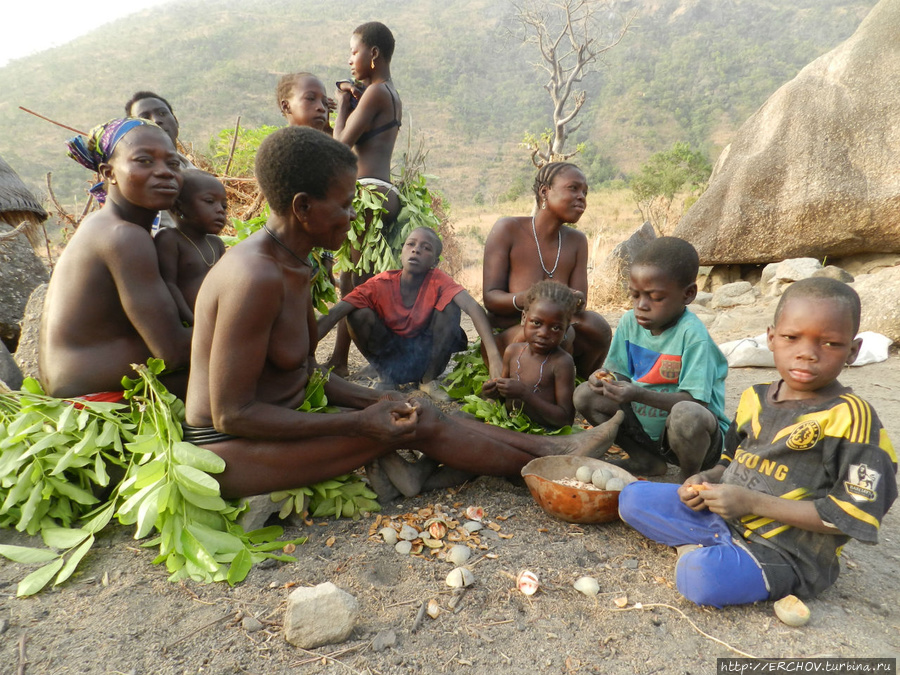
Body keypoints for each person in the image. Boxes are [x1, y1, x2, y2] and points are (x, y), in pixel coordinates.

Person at [182, 126, 625, 499]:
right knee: (419, 424)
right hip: (229, 451)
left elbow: (297, 376)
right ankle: (555, 466)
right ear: (302, 207)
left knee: (414, 407)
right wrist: (361, 420)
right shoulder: (254, 276)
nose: (353, 215)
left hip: (268, 429)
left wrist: (379, 399)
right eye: (344, 204)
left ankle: (558, 449)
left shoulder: (295, 263)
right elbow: (231, 414)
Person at [618, 278, 897, 608]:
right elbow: (730, 457)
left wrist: (751, 502)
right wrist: (707, 479)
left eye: (830, 344)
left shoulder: (852, 418)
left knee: (698, 577)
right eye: (792, 338)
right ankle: (718, 546)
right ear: (771, 338)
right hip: (724, 519)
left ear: (852, 351)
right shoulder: (755, 397)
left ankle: (719, 556)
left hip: (785, 551)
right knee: (631, 498)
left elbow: (852, 513)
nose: (807, 353)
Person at [41, 118, 191, 399]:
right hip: (95, 398)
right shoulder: (123, 236)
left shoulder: (102, 224)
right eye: (144, 161)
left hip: (78, 388)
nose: (164, 173)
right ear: (108, 172)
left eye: (173, 164)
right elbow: (173, 352)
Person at [573, 237, 729, 480]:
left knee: (685, 415)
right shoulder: (628, 323)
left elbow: (696, 404)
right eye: (635, 296)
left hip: (698, 439)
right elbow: (620, 372)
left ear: (688, 294)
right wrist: (605, 379)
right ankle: (646, 459)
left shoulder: (693, 336)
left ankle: (689, 478)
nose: (641, 306)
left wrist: (637, 394)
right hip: (649, 433)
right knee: (585, 394)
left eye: (654, 297)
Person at [317, 227, 502, 401]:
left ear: (435, 262)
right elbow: (334, 313)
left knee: (451, 307)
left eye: (426, 248)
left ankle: (428, 382)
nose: (416, 250)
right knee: (356, 313)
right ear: (402, 253)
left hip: (427, 361)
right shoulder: (380, 283)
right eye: (411, 244)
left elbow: (473, 307)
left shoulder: (438, 281)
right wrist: (303, 354)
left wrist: (494, 358)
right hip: (391, 361)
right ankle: (386, 378)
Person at [482, 162, 612, 380]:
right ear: (545, 191)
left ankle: (580, 384)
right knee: (559, 333)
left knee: (596, 326)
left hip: (557, 329)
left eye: (585, 192)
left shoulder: (577, 241)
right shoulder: (509, 229)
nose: (582, 197)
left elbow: (581, 302)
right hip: (513, 333)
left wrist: (572, 299)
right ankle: (539, 391)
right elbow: (491, 298)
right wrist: (533, 299)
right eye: (573, 188)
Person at [326, 21, 404, 377]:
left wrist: (343, 102)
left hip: (368, 191)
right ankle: (355, 359)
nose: (350, 59)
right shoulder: (389, 92)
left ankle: (362, 363)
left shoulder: (374, 93)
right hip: (385, 191)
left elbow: (340, 145)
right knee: (362, 280)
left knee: (353, 282)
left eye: (353, 51)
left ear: (373, 53)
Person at [482, 280, 577, 430]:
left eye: (556, 327)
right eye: (537, 323)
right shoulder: (512, 351)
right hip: (511, 426)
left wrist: (525, 394)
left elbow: (565, 419)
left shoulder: (562, 363)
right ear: (524, 318)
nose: (544, 333)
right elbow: (503, 394)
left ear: (566, 330)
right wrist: (492, 391)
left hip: (545, 433)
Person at [153, 170, 227, 325]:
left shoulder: (216, 243)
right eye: (209, 201)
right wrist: (192, 320)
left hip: (218, 320)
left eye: (224, 205)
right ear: (178, 208)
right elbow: (169, 284)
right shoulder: (170, 239)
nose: (220, 210)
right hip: (189, 323)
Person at [125, 91, 196, 231]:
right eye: (145, 117)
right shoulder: (134, 175)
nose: (157, 120)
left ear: (175, 120)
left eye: (162, 113)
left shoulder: (192, 170)